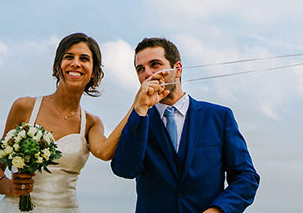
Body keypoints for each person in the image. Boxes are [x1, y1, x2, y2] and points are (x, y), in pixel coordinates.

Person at [0, 32, 163, 212]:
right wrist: (9, 187)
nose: (76, 63)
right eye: (69, 57)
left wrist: (137, 104)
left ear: (94, 73)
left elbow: (104, 151)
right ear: (57, 66)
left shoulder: (91, 122)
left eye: (84, 59)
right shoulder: (24, 106)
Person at [111, 37, 260, 213]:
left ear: (178, 69)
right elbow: (125, 170)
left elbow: (246, 177)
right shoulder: (138, 120)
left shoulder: (219, 117)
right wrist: (141, 110)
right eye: (140, 69)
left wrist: (218, 210)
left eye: (155, 64)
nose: (147, 73)